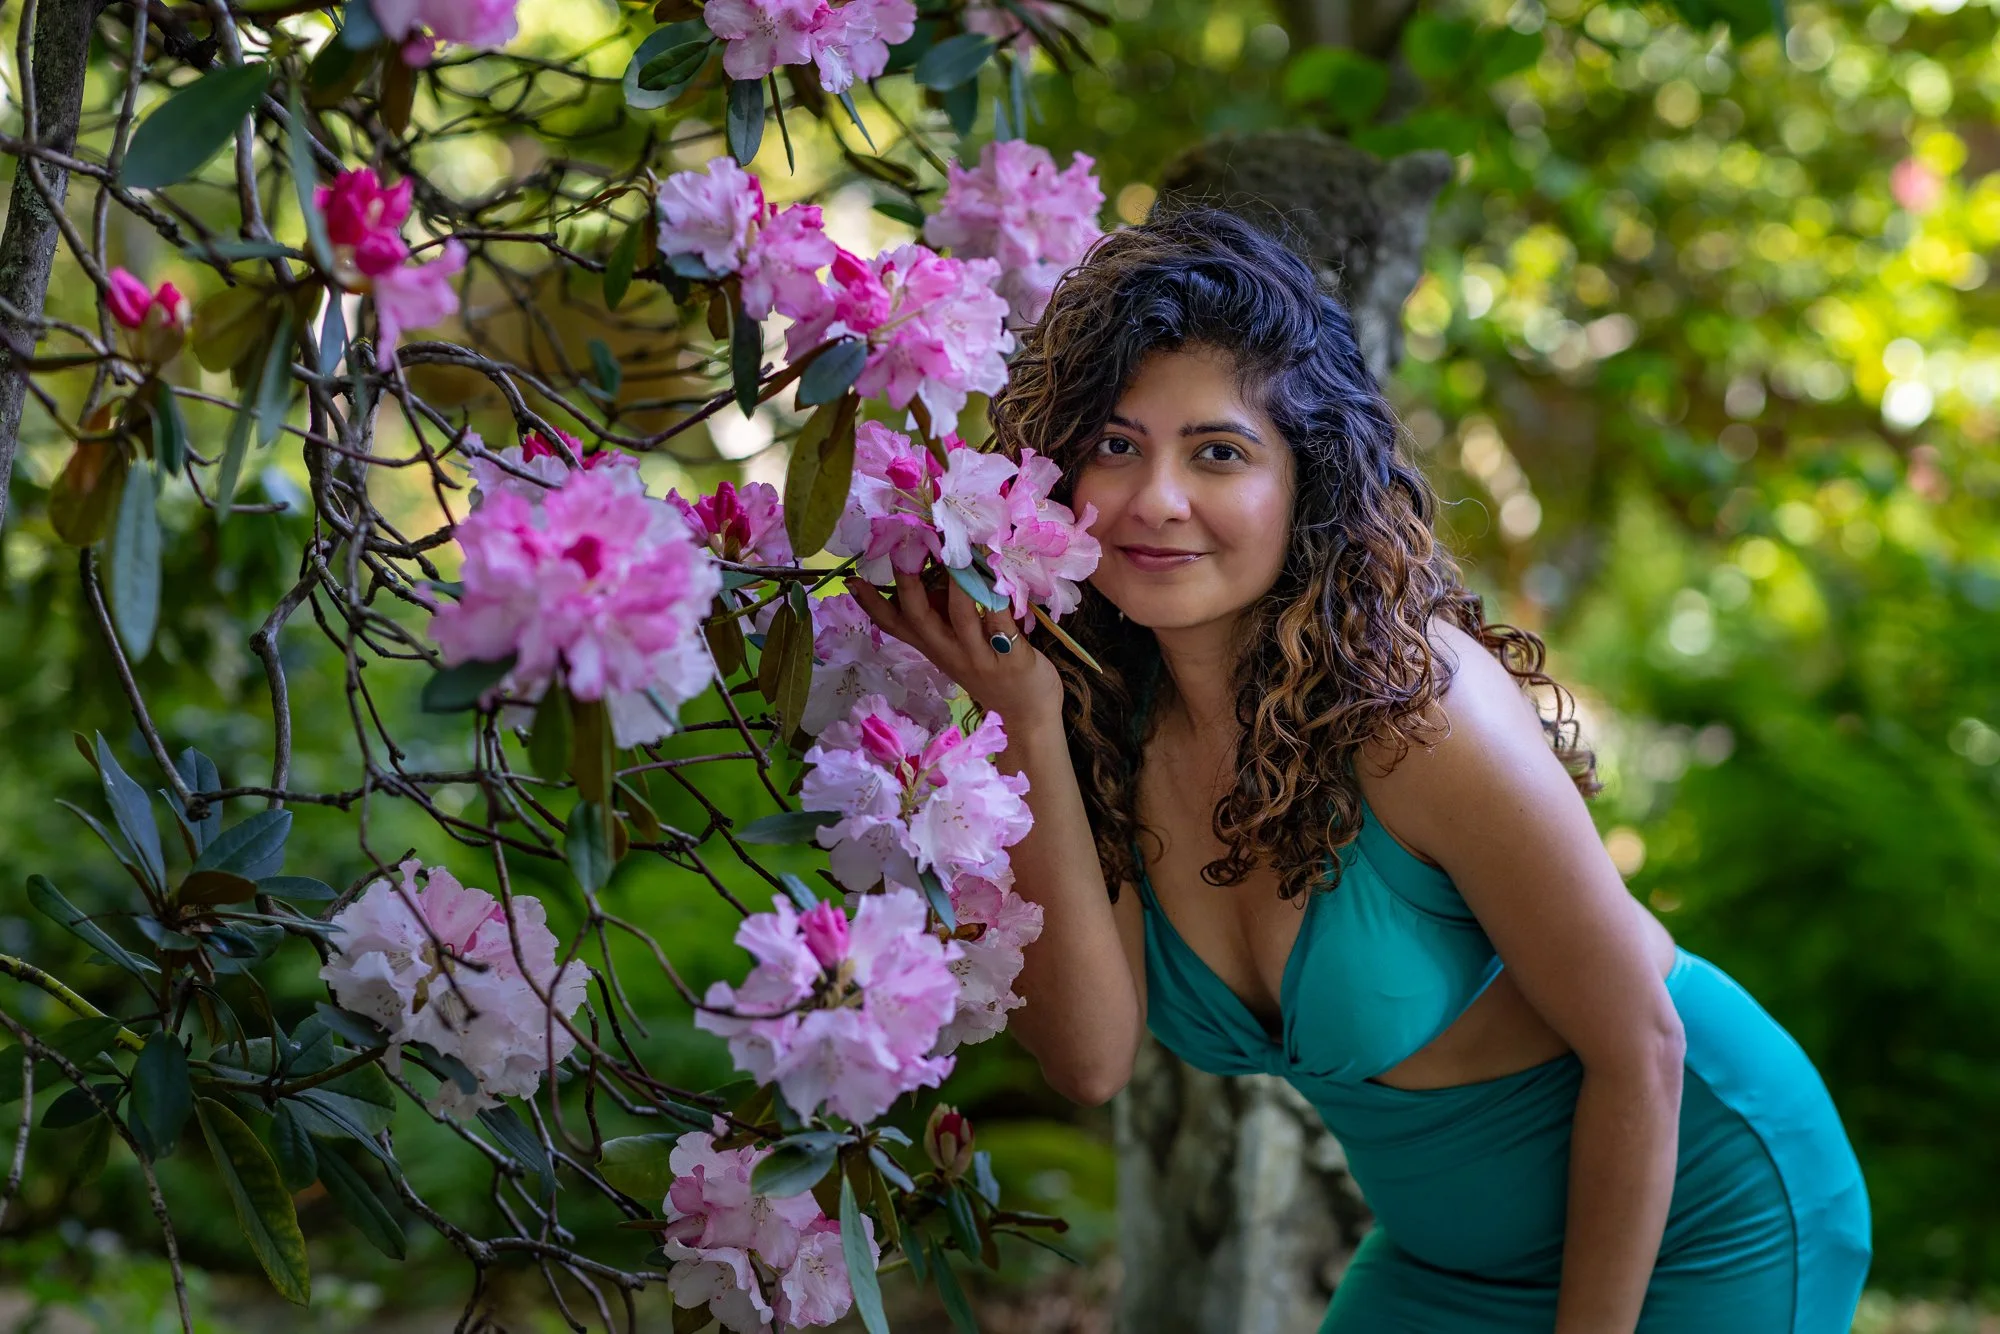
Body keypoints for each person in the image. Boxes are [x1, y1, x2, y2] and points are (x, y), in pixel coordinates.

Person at [844, 208, 1872, 1333]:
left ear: (1309, 481)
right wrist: (1027, 720)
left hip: (1702, 1210)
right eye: (1117, 445)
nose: (1156, 499)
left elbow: (1642, 1045)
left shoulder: (1414, 713)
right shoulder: (1096, 718)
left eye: (1218, 451)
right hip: (1441, 1256)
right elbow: (1089, 1059)